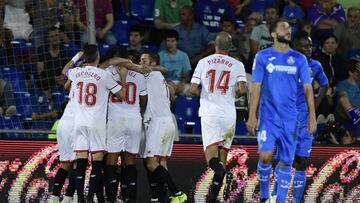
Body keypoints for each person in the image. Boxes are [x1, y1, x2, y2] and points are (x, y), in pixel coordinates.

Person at [247, 19, 317, 203]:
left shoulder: (299, 59)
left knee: (286, 161)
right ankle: (264, 195)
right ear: (272, 33)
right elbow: (256, 87)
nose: (287, 30)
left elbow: (308, 89)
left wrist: (312, 117)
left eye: (289, 28)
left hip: (290, 118)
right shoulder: (262, 56)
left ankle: (279, 200)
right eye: (283, 27)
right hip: (268, 117)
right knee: (266, 156)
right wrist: (252, 115)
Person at [61, 45, 127, 203]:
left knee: (80, 163)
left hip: (79, 123)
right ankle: (91, 197)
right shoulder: (103, 75)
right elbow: (122, 95)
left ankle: (81, 200)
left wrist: (76, 58)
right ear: (98, 57)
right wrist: (123, 77)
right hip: (96, 124)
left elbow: (65, 71)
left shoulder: (76, 73)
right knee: (97, 162)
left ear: (85, 58)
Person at [271, 31, 328, 203]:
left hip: (304, 120)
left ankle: (296, 200)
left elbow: (324, 85)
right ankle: (276, 197)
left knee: (302, 161)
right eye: (303, 45)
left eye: (309, 45)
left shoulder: (315, 66)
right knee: (284, 160)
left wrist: (315, 107)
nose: (307, 49)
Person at [189, 31, 247, 202]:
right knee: (223, 155)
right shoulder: (237, 64)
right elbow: (243, 89)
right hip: (229, 114)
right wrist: (232, 95)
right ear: (230, 46)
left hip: (210, 113)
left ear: (215, 44)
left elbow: (192, 88)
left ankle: (224, 174)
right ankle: (214, 196)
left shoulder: (203, 62)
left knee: (212, 159)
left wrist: (206, 95)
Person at [140, 52, 187, 203]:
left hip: (158, 124)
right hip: (167, 122)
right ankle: (160, 199)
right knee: (161, 163)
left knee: (151, 163)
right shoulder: (159, 79)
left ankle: (178, 193)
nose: (141, 63)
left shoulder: (152, 75)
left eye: (144, 60)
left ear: (153, 64)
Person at [102, 49, 147, 203]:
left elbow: (105, 64)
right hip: (134, 119)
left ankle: (111, 199)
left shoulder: (108, 72)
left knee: (111, 161)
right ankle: (130, 199)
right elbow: (144, 101)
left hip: (116, 120)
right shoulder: (140, 76)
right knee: (130, 161)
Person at [48, 80, 79, 203]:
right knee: (78, 164)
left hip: (63, 124)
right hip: (77, 125)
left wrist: (75, 59)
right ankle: (68, 198)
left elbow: (65, 77)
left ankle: (54, 198)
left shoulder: (75, 79)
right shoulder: (95, 83)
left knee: (65, 164)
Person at [37, 26, 69, 101]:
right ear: (48, 38)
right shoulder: (41, 50)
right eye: (51, 36)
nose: (55, 38)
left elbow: (68, 67)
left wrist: (62, 77)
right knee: (41, 80)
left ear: (60, 37)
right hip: (48, 80)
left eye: (56, 35)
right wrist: (55, 79)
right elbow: (40, 71)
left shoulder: (64, 50)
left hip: (62, 80)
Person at [158, 30, 191, 94]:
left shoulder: (184, 55)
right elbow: (158, 74)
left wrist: (182, 83)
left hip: (180, 82)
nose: (170, 44)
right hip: (164, 82)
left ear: (177, 42)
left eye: (173, 41)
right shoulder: (160, 55)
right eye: (168, 41)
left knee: (192, 91)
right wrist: (167, 82)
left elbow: (186, 74)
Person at [335, 59, 360, 137]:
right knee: (343, 98)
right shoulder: (343, 84)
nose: (359, 74)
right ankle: (356, 117)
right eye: (358, 73)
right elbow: (342, 98)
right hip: (346, 112)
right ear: (350, 72)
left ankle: (357, 116)